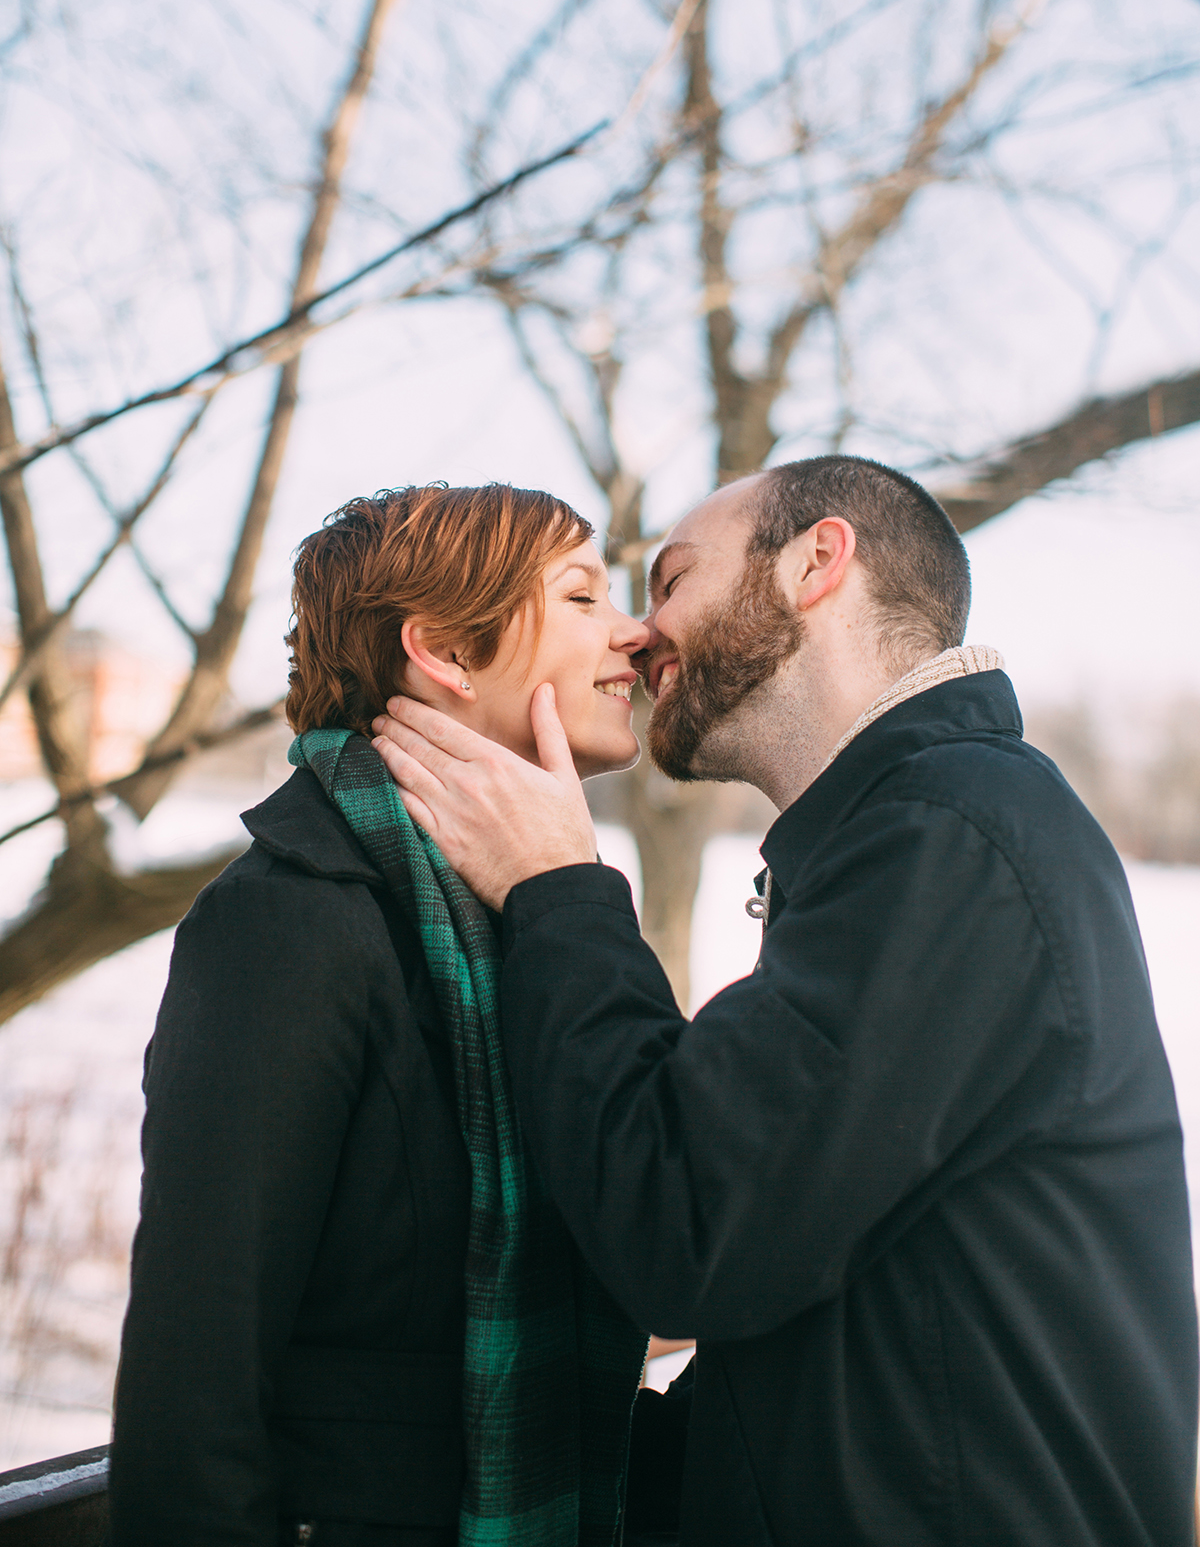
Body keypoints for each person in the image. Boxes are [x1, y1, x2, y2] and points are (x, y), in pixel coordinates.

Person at [371, 455, 1199, 1547]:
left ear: (817, 561)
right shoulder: (913, 833)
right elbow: (824, 1313)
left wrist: (556, 887)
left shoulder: (950, 836)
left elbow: (685, 1230)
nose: (638, 631)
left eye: (669, 580)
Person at [108, 482, 653, 1547]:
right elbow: (196, 1363)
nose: (632, 633)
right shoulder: (289, 916)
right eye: (583, 595)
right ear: (445, 650)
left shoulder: (538, 910)